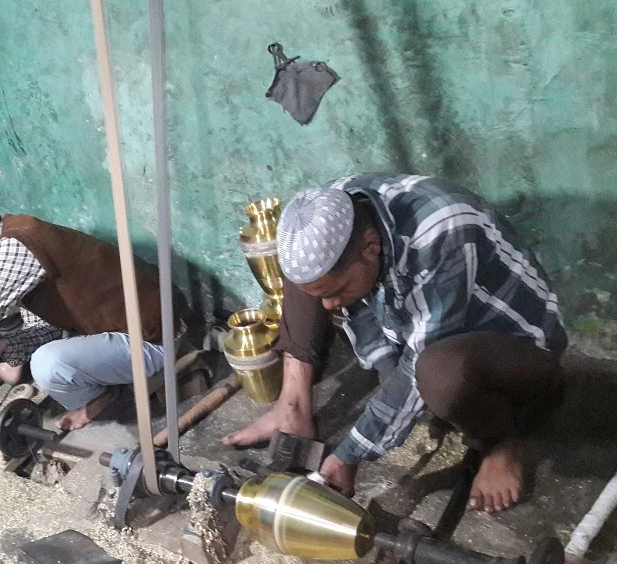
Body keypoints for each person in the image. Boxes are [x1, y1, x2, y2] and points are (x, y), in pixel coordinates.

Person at [224, 174, 567, 513]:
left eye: (337, 293)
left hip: (517, 350)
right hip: (428, 332)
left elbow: (419, 359)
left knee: (438, 375)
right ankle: (292, 409)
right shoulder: (330, 209)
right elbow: (363, 312)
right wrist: (387, 370)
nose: (329, 307)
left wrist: (349, 455)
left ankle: (502, 443)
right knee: (305, 271)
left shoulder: (440, 234)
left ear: (371, 246)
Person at [0, 196, 175, 430]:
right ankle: (110, 389)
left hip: (159, 338)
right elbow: (46, 329)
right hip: (135, 328)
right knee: (41, 354)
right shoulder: (21, 234)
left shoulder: (16, 248)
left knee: (47, 365)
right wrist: (0, 349)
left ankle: (107, 397)